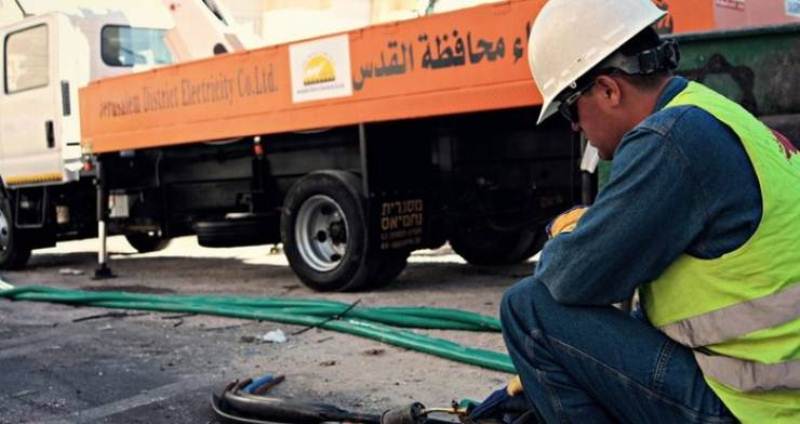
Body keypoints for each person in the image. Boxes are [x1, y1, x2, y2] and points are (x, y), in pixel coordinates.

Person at [497, 0, 800, 423]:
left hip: (752, 407)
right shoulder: (711, 112)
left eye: (569, 109)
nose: (574, 126)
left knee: (528, 309)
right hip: (776, 394)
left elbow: (571, 278)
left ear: (608, 90)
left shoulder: (670, 140)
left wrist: (567, 238)